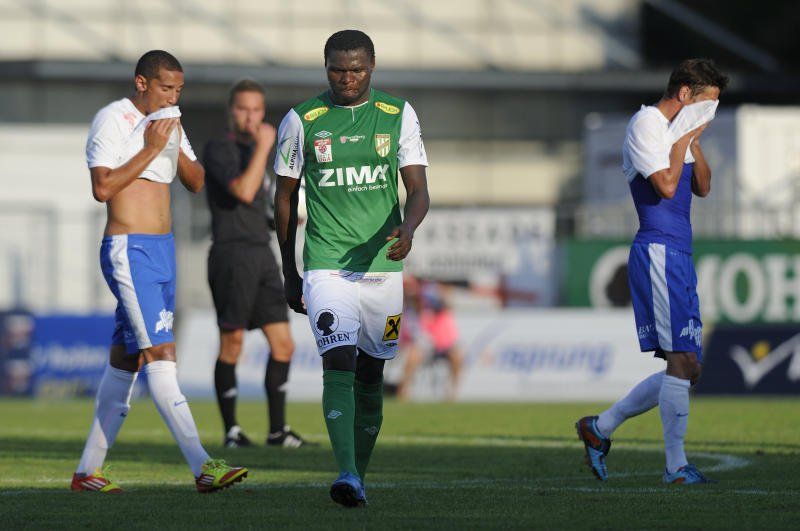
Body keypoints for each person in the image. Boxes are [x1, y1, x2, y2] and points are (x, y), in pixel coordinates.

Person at [73, 50, 247, 493]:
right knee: (161, 353)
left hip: (163, 251)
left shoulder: (169, 121)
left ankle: (87, 471)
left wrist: (172, 140)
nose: (173, 96)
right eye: (166, 88)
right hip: (129, 250)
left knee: (127, 358)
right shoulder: (113, 119)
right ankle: (203, 466)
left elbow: (196, 181)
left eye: (179, 90)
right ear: (142, 83)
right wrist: (151, 148)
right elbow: (102, 187)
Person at [274, 29, 430, 507]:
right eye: (338, 70)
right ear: (325, 67)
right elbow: (283, 198)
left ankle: (356, 477)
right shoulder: (301, 120)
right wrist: (290, 271)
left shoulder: (398, 115)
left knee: (371, 372)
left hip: (384, 268)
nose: (347, 78)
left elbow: (418, 190)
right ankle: (345, 471)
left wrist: (408, 229)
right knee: (338, 359)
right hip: (327, 265)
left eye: (357, 69)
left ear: (372, 65)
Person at [576, 58, 728, 485]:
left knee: (690, 366)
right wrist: (683, 140)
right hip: (658, 249)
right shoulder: (646, 124)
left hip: (679, 253)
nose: (710, 113)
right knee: (681, 359)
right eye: (707, 104)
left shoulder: (679, 132)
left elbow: (703, 186)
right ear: (684, 93)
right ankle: (676, 467)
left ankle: (600, 427)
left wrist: (693, 140)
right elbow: (665, 185)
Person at [203, 79, 309, 449]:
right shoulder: (219, 149)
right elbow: (243, 191)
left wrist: (287, 219)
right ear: (231, 111)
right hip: (231, 254)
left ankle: (278, 431)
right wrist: (265, 146)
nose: (250, 117)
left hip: (262, 253)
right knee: (232, 343)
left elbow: (258, 209)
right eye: (243, 109)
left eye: (256, 110)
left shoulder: (260, 155)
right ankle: (232, 431)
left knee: (284, 344)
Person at [398, 281, 463, 401]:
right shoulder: (411, 313)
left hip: (443, 344)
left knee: (457, 356)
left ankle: (452, 392)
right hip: (424, 345)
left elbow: (446, 300)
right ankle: (404, 390)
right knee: (413, 356)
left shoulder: (441, 311)